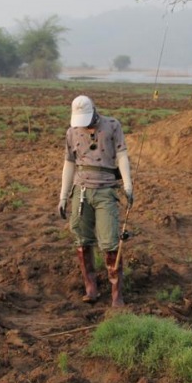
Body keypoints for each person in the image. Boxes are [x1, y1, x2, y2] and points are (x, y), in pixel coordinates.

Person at [58, 95, 133, 307]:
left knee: (110, 241)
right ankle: (90, 286)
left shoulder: (112, 125)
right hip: (81, 191)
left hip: (105, 190)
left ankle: (116, 291)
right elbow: (69, 164)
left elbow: (122, 155)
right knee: (81, 239)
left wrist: (128, 185)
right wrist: (63, 196)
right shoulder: (72, 132)